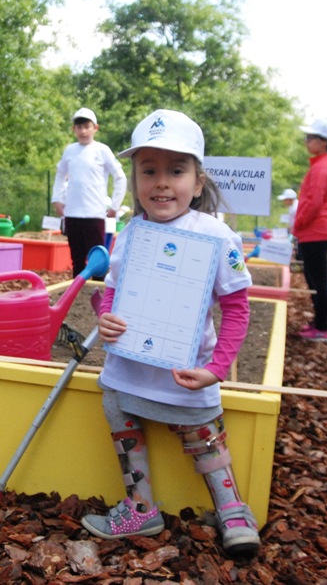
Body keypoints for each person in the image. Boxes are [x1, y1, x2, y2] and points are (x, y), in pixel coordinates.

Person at [81, 109, 260, 557]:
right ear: (136, 178)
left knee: (204, 433)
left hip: (188, 373)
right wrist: (104, 315)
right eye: (149, 170)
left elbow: (238, 309)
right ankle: (140, 504)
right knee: (114, 403)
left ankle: (232, 508)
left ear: (198, 182)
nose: (162, 182)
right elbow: (114, 296)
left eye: (176, 170)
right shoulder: (129, 234)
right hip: (128, 367)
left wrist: (217, 370)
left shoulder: (218, 237)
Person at [52, 107, 127, 281]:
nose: (83, 131)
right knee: (77, 260)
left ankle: (99, 298)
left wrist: (115, 206)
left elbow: (120, 177)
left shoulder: (102, 150)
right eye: (79, 127)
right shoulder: (70, 150)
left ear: (95, 128)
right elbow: (60, 174)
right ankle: (76, 297)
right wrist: (57, 199)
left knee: (98, 260)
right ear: (74, 129)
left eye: (87, 126)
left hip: (94, 214)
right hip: (73, 214)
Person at [291, 118, 327, 342]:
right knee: (315, 280)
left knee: (318, 282)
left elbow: (313, 203)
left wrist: (298, 226)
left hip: (316, 231)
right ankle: (319, 323)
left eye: (310, 138)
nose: (307, 141)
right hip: (321, 230)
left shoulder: (323, 167)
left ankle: (322, 327)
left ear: (324, 142)